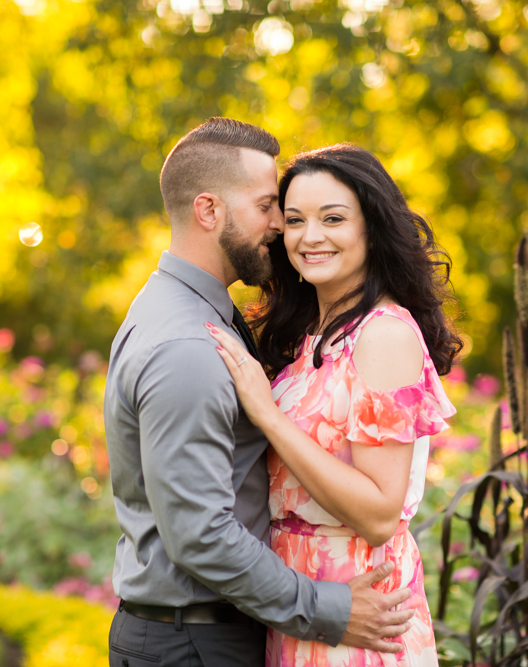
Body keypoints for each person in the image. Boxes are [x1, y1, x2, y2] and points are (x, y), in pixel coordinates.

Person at [104, 119, 416, 667]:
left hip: (263, 625)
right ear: (209, 211)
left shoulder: (204, 316)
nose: (283, 227)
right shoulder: (187, 343)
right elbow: (199, 534)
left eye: (327, 217)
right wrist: (327, 606)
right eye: (272, 208)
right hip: (200, 642)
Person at [207, 144, 462, 666]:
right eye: (295, 220)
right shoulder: (312, 335)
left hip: (361, 613)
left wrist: (269, 416)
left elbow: (378, 514)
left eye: (334, 218)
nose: (311, 236)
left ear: (373, 228)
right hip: (308, 607)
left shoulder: (383, 335)